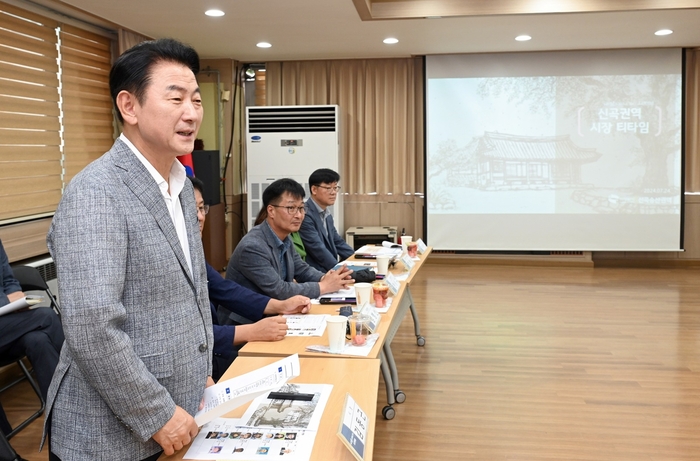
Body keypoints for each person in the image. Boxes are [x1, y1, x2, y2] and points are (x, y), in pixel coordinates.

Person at [45, 38, 213, 460]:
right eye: (175, 98)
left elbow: (191, 293)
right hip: (109, 437)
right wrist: (156, 414)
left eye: (195, 99)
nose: (191, 113)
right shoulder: (96, 192)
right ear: (129, 106)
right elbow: (92, 326)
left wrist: (202, 372)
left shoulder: (178, 186)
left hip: (181, 413)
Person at [188, 176, 311, 380]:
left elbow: (226, 289)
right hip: (220, 344)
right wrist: (251, 331)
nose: (200, 217)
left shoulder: (193, 252)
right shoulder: (252, 245)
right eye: (193, 210)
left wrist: (281, 306)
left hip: (215, 348)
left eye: (202, 208)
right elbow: (187, 335)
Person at [224, 178, 352, 302]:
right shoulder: (253, 246)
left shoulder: (285, 237)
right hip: (248, 319)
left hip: (276, 311)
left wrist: (326, 278)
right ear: (271, 211)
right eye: (291, 208)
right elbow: (279, 290)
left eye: (301, 208)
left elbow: (302, 269)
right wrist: (323, 286)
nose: (298, 215)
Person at [0, 239, 63, 461]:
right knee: (46, 317)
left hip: (6, 324)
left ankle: (61, 431)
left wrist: (16, 295)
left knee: (39, 340)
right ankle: (82, 395)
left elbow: (7, 279)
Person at [298, 169, 354, 271]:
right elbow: (318, 250)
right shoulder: (305, 215)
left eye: (335, 187)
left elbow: (338, 242)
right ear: (314, 189)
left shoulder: (327, 214)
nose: (333, 193)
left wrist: (356, 258)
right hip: (316, 273)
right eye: (328, 188)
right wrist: (340, 270)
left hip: (329, 270)